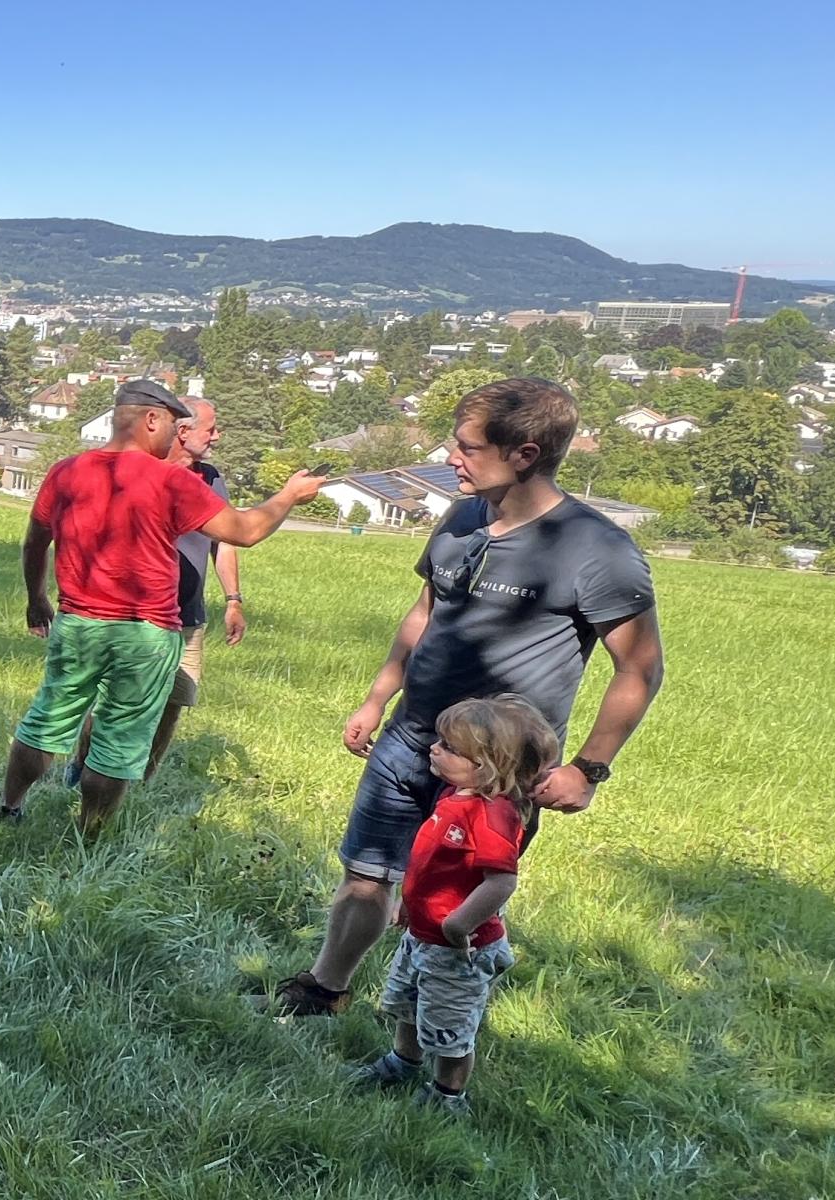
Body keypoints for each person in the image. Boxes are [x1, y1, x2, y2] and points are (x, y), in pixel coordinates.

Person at [268, 377, 666, 1018]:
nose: (450, 457)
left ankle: (430, 1039)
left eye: (466, 447)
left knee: (453, 905)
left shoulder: (596, 551)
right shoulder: (461, 516)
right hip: (408, 738)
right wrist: (376, 699)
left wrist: (588, 768)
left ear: (525, 454)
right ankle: (325, 989)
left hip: (496, 773)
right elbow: (424, 612)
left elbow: (640, 669)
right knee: (365, 874)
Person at [0, 379, 325, 837]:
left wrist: (37, 597)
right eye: (174, 425)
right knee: (118, 741)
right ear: (151, 419)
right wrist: (288, 496)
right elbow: (246, 531)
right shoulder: (171, 480)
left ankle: (9, 808)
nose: (176, 436)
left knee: (46, 719)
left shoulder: (65, 471)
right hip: (145, 633)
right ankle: (89, 836)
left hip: (77, 624)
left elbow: (36, 540)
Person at [345, 693, 555, 1117]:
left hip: (456, 946)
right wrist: (408, 903)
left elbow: (501, 881)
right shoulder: (456, 796)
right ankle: (403, 1062)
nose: (433, 749)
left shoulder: (492, 814)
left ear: (487, 765)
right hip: (423, 934)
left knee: (451, 1022)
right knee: (411, 1004)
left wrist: (460, 926)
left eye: (449, 747)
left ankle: (447, 1095)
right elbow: (434, 863)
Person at [61, 395, 244, 796]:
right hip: (136, 615)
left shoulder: (211, 479)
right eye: (210, 429)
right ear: (182, 431)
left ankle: (142, 779)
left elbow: (227, 542)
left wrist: (233, 599)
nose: (216, 436)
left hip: (189, 617)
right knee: (115, 699)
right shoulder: (145, 473)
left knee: (175, 702)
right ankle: (85, 761)